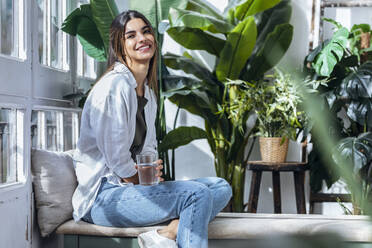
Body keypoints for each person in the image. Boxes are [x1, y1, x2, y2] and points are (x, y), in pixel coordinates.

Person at [71, 10, 232, 248]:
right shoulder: (114, 87)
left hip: (131, 188)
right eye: (131, 35)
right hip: (103, 198)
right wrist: (142, 178)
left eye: (146, 31)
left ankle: (167, 234)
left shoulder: (147, 92)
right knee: (195, 194)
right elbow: (117, 161)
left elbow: (147, 149)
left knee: (220, 187)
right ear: (120, 46)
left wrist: (151, 173)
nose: (142, 38)